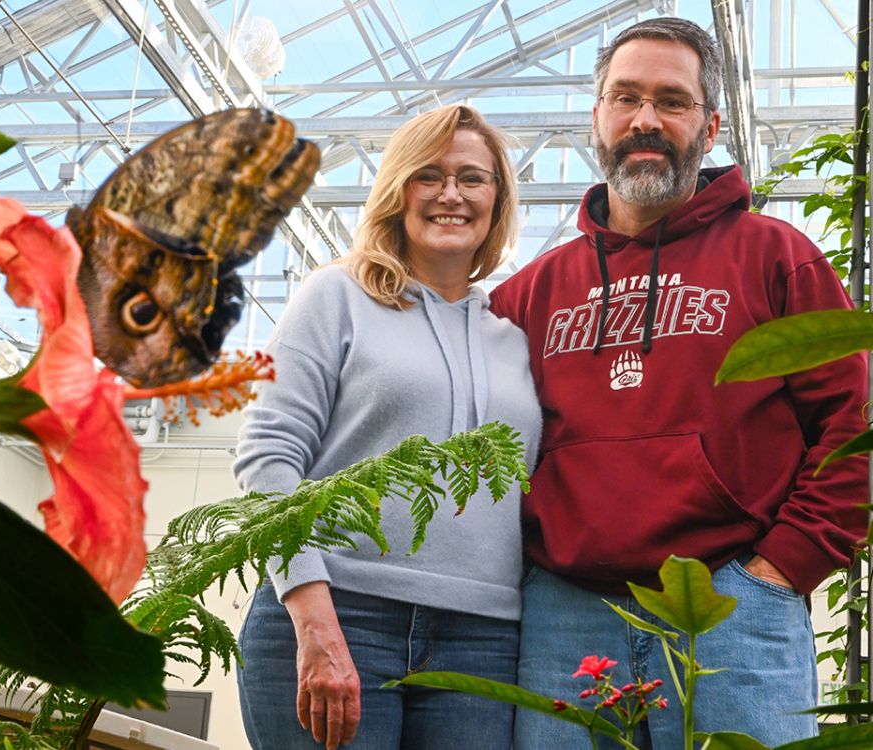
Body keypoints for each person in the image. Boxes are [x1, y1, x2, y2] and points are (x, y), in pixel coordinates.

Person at [490, 17, 868, 749]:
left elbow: (853, 424)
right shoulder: (531, 293)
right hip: (563, 618)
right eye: (625, 98)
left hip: (733, 606)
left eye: (672, 100)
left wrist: (780, 570)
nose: (645, 120)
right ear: (596, 116)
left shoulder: (775, 257)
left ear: (711, 122)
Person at [234, 104, 542, 750]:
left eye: (472, 178)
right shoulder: (335, 296)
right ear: (397, 189)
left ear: (498, 198)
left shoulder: (515, 339)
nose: (451, 194)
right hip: (338, 613)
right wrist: (313, 622)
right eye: (429, 175)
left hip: (482, 641)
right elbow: (267, 458)